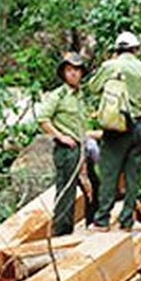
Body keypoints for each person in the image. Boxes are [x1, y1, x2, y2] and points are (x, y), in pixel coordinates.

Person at [85, 31, 141, 231]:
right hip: (138, 126)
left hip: (115, 127)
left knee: (109, 173)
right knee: (134, 173)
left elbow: (92, 87)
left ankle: (103, 220)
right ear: (136, 49)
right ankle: (127, 220)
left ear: (117, 50)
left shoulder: (110, 66)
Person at [36, 52, 96, 236]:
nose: (74, 74)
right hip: (67, 150)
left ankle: (92, 226)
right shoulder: (58, 95)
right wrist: (60, 136)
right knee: (66, 194)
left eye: (77, 70)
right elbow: (42, 118)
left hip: (81, 148)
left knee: (93, 187)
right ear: (64, 73)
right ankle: (62, 235)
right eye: (69, 70)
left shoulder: (79, 96)